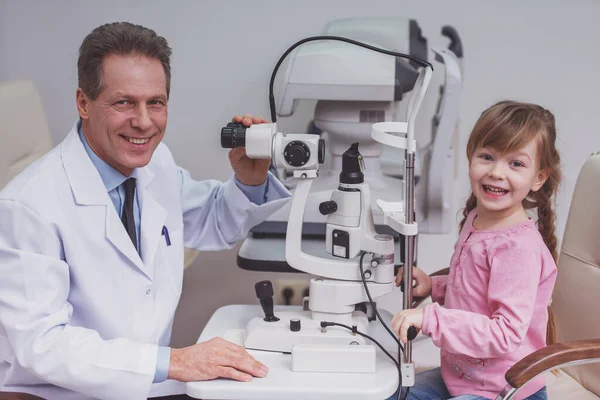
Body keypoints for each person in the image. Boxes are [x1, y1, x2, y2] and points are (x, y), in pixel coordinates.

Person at [0, 22, 290, 400]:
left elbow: (211, 222)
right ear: (83, 102)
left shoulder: (154, 164)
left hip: (140, 386)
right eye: (123, 102)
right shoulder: (27, 205)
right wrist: (173, 362)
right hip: (58, 394)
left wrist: (249, 181)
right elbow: (42, 344)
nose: (143, 121)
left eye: (156, 102)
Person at [391, 101, 561, 400]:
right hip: (461, 378)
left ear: (539, 178)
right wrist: (435, 285)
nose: (496, 172)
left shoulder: (518, 248)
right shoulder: (477, 220)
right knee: (390, 393)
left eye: (516, 163)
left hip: (508, 390)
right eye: (487, 156)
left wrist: (432, 319)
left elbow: (505, 334)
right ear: (470, 157)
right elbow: (476, 290)